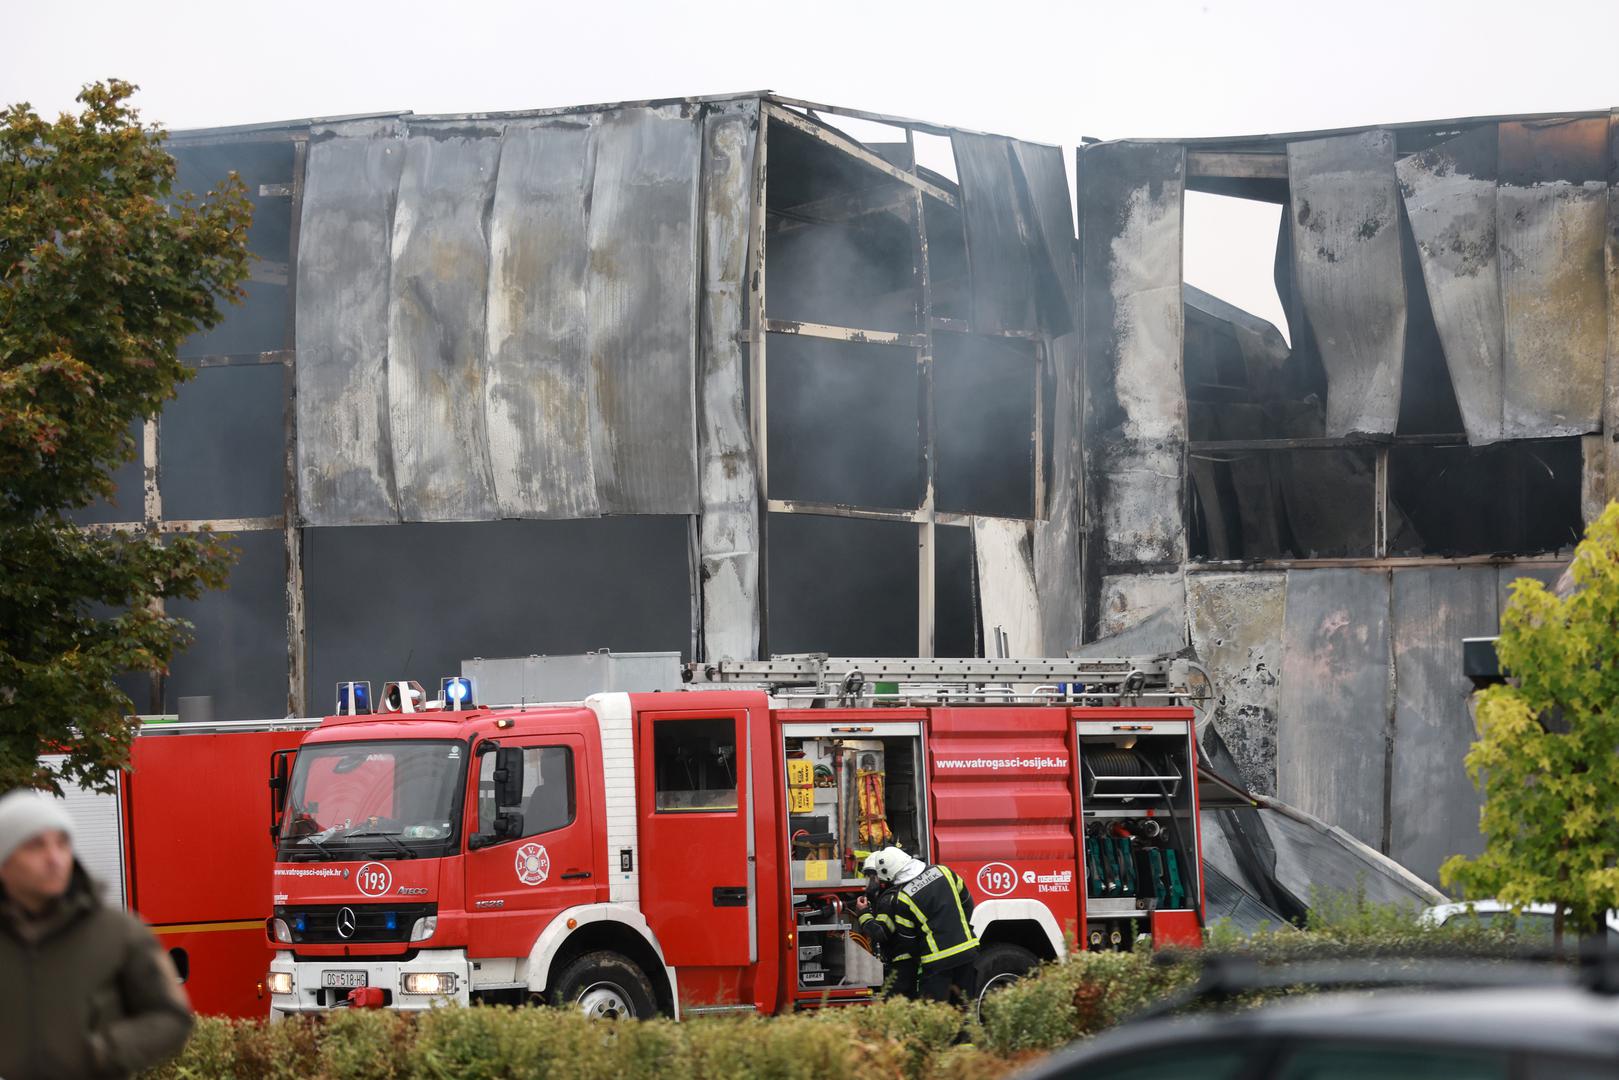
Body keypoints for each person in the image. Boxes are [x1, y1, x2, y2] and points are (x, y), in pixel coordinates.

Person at [0, 788, 193, 1080]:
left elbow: (173, 1018)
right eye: (35, 846)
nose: (54, 858)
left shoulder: (119, 932)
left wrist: (103, 1052)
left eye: (62, 843)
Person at [890, 850, 979, 1006]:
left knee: (935, 1012)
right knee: (964, 1006)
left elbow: (908, 941)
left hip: (937, 962)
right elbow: (967, 902)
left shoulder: (903, 898)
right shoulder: (943, 871)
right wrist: (961, 927)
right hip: (967, 951)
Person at [854, 847, 919, 998]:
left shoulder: (888, 899)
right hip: (906, 961)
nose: (870, 881)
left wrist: (863, 913)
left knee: (897, 1004)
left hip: (901, 964)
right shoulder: (895, 893)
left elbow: (879, 933)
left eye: (872, 876)